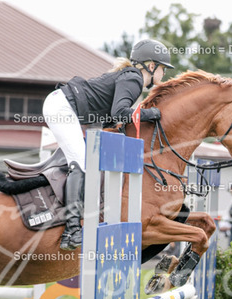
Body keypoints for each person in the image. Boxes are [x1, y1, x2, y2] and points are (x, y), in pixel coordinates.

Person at [43, 39, 174, 250]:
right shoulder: (134, 79)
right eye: (163, 68)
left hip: (63, 106)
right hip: (62, 108)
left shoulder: (130, 78)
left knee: (84, 161)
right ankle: (71, 230)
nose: (164, 73)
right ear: (151, 66)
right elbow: (120, 113)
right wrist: (152, 114)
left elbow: (112, 118)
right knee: (80, 163)